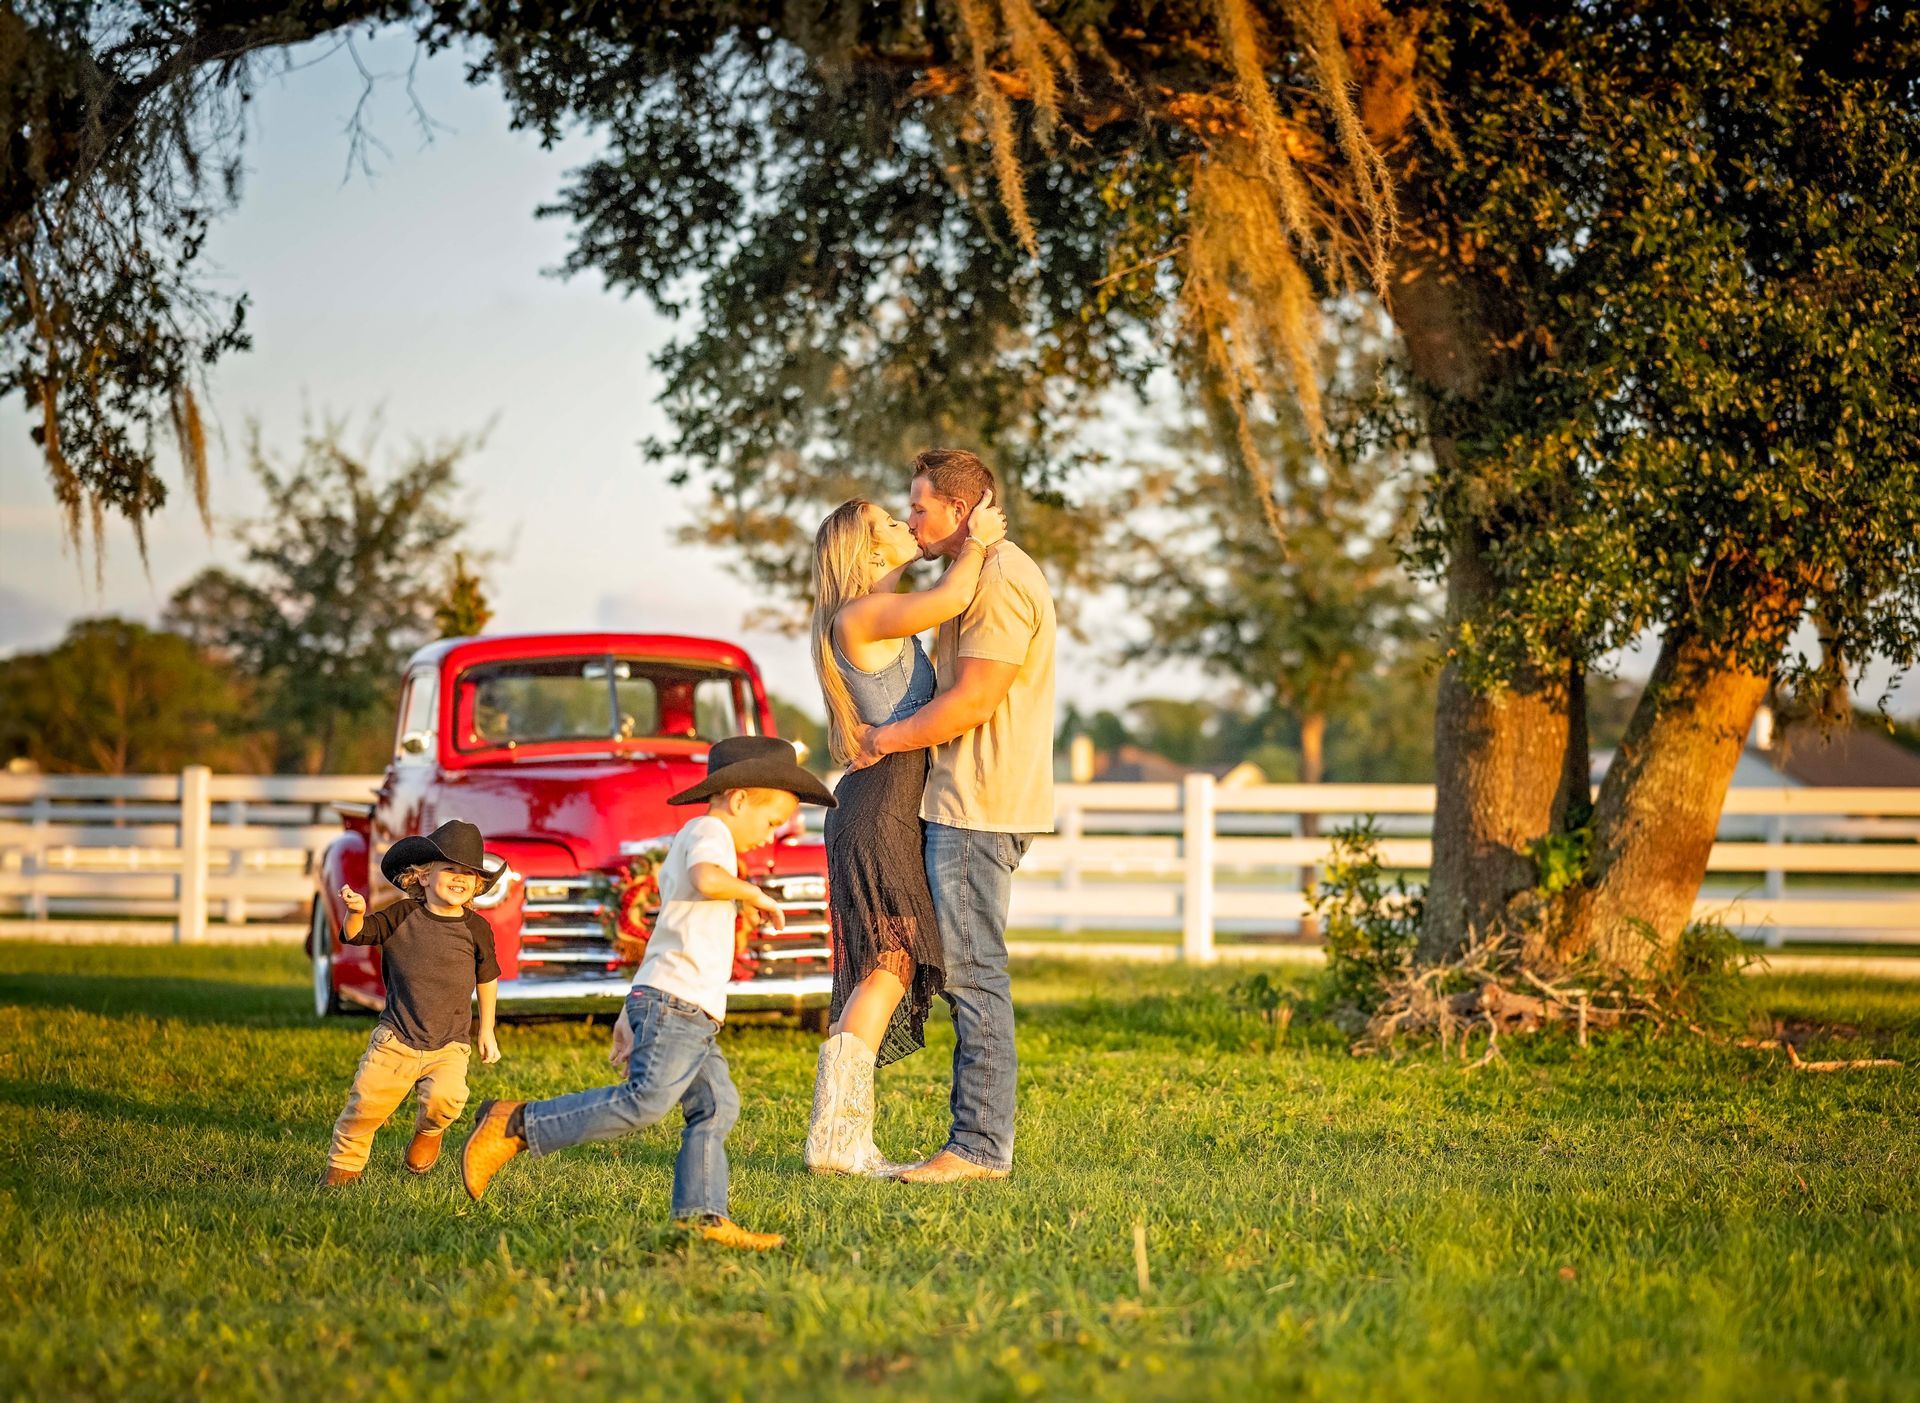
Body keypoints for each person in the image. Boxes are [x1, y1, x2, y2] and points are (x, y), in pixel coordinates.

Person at [458, 736, 836, 1251]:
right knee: (646, 1103)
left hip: (681, 1006)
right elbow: (707, 879)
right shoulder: (710, 831)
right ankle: (518, 1123)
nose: (769, 837)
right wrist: (754, 893)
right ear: (741, 798)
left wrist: (628, 1011)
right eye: (771, 822)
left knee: (716, 1104)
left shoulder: (700, 835)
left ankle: (700, 1216)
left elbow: (665, 935)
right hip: (677, 1006)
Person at [851, 447, 1056, 1184]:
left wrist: (882, 739)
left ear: (959, 510)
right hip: (965, 800)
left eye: (919, 506)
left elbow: (973, 700)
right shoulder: (973, 572)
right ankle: (975, 1142)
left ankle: (976, 1148)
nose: (911, 518)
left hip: (978, 803)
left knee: (974, 975)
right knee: (971, 971)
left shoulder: (999, 579)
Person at [803, 489, 1008, 1175]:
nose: (904, 525)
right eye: (889, 523)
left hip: (886, 801)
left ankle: (841, 1136)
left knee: (885, 965)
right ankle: (835, 1139)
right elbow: (953, 598)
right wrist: (977, 537)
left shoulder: (873, 618)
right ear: (866, 550)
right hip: (881, 806)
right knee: (891, 962)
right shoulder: (863, 613)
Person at [321, 818, 503, 1186]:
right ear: (422, 876)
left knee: (447, 1099)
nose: (459, 877)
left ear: (477, 885)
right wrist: (355, 912)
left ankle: (429, 1132)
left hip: (449, 1043)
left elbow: (487, 978)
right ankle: (343, 1170)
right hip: (396, 1039)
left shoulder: (477, 929)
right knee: (365, 1107)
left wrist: (487, 1029)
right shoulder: (401, 916)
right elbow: (357, 935)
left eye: (468, 873)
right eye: (449, 868)